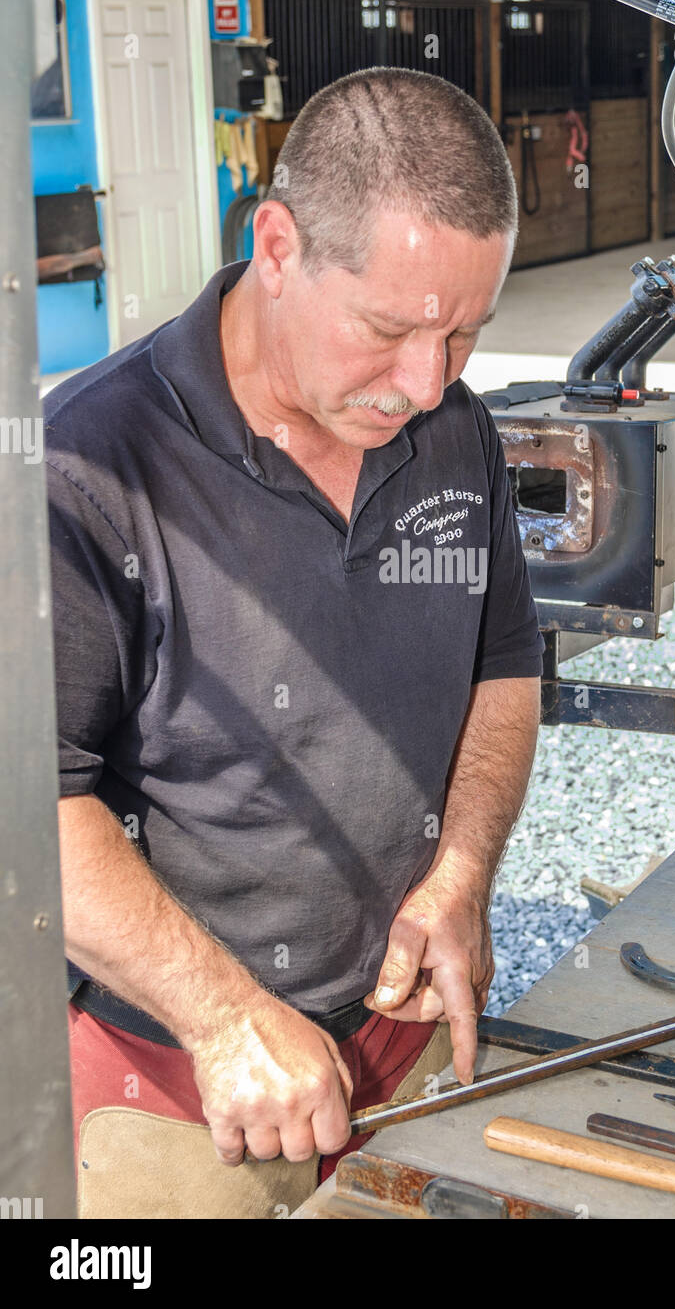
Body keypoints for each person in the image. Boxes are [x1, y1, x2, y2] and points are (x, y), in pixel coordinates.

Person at [48, 67, 543, 1217]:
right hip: (171, 1081)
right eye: (386, 328)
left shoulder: (454, 432)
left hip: (402, 1039)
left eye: (464, 333)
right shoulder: (88, 467)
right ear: (277, 245)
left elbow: (501, 665)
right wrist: (222, 1016)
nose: (426, 382)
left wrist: (461, 877)